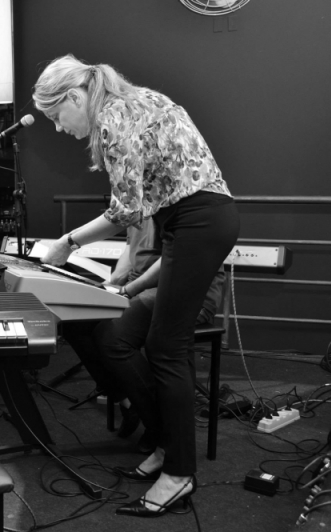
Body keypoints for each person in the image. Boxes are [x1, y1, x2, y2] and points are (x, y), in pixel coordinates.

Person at [33, 54, 239, 516]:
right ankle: (168, 449)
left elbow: (125, 211)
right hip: (192, 220)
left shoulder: (113, 116)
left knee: (168, 348)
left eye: (56, 117)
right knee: (139, 341)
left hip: (198, 220)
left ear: (74, 96)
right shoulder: (137, 100)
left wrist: (66, 243)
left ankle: (180, 473)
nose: (60, 128)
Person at [61, 218, 225, 452]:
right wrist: (110, 284)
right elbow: (131, 248)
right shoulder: (138, 197)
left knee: (114, 338)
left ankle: (159, 427)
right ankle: (127, 401)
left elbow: (172, 260)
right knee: (74, 320)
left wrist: (127, 290)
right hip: (140, 285)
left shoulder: (176, 198)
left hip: (184, 289)